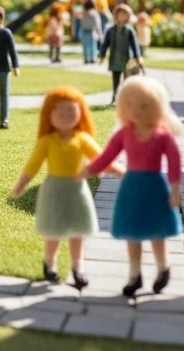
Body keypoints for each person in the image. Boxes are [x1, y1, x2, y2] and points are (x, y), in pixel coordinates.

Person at [87, 76, 183, 298]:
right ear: (122, 106)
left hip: (155, 187)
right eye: (130, 104)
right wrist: (89, 170)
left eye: (144, 105)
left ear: (156, 107)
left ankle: (162, 268)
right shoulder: (124, 133)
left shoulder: (162, 136)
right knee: (133, 232)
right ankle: (134, 274)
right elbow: (107, 156)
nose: (136, 111)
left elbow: (174, 161)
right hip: (131, 187)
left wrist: (175, 186)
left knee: (157, 231)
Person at [11, 87, 112, 289]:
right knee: (53, 231)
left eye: (71, 112)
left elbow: (101, 159)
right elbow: (33, 164)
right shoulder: (47, 141)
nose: (66, 117)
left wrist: (111, 171)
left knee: (77, 231)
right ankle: (50, 263)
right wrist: (21, 185)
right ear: (49, 115)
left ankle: (78, 266)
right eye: (60, 113)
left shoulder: (82, 138)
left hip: (77, 190)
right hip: (54, 189)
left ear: (80, 113)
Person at [99, 4, 145, 104]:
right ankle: (115, 96)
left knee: (127, 80)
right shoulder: (111, 30)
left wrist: (138, 57)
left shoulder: (129, 31)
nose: (122, 17)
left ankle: (126, 98)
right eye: (120, 14)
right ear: (116, 15)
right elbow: (105, 44)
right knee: (115, 79)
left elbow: (135, 45)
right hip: (115, 58)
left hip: (127, 59)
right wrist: (102, 55)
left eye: (125, 15)